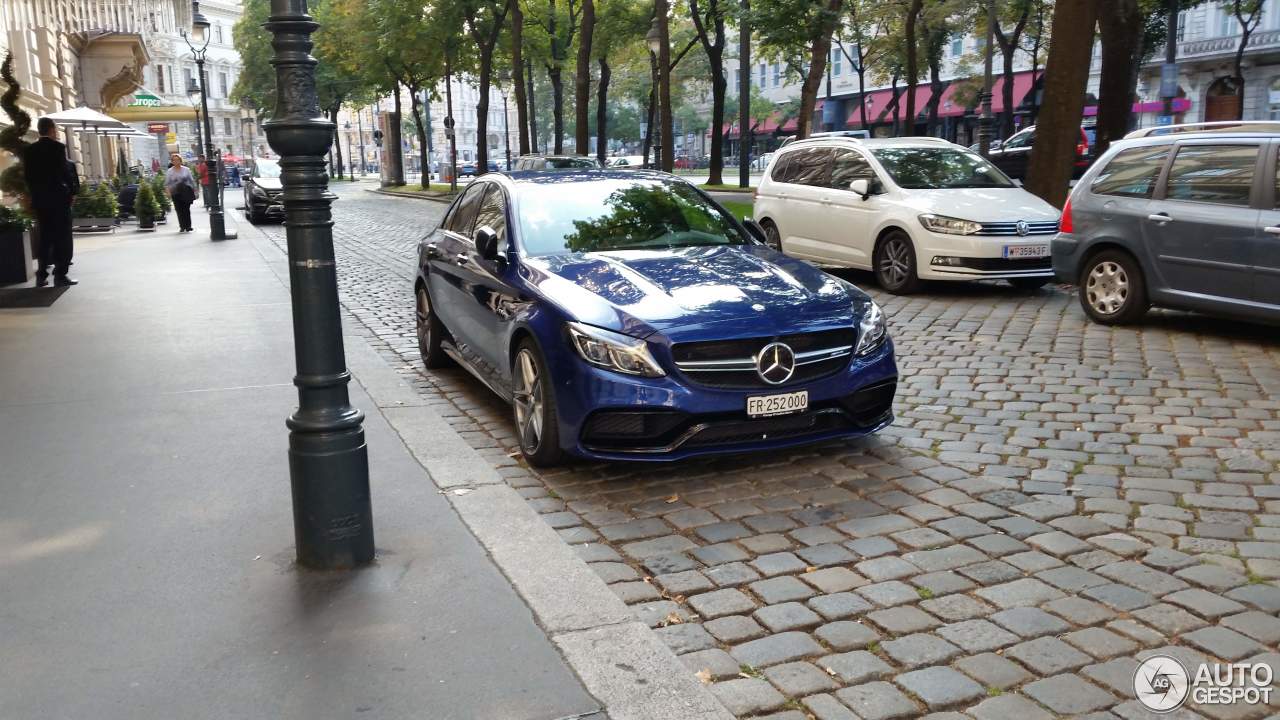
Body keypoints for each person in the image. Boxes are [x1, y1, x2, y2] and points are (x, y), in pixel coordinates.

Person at [22, 117, 78, 287]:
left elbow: (28, 177)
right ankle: (60, 275)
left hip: (41, 201)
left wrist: (35, 196)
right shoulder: (57, 148)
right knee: (63, 238)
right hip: (59, 201)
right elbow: (64, 172)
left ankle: (41, 275)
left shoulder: (29, 151)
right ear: (52, 129)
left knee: (45, 238)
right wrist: (73, 191)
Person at [164, 153, 198, 233]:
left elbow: (191, 181)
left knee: (186, 209)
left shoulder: (186, 169)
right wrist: (168, 192)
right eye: (174, 160)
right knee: (179, 210)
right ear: (172, 161)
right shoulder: (170, 171)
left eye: (178, 160)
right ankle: (182, 226)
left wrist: (195, 190)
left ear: (180, 160)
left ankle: (188, 226)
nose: (176, 161)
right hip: (175, 193)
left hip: (186, 192)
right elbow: (167, 183)